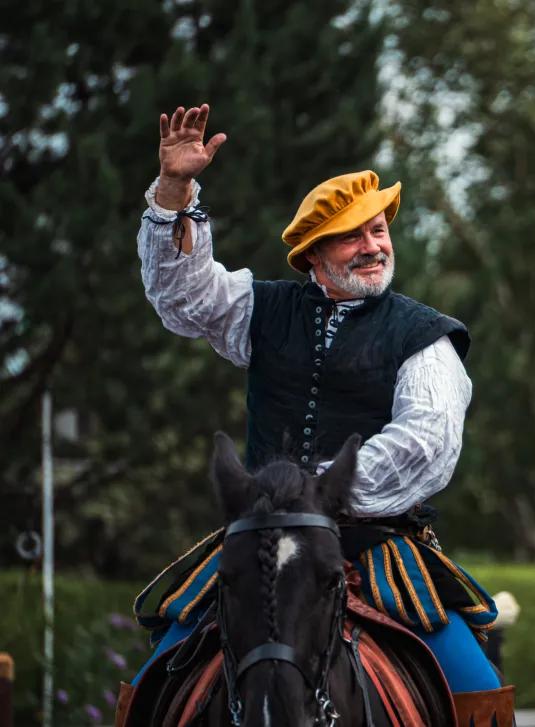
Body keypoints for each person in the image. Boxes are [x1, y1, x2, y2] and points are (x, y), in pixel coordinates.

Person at [126, 103, 513, 723]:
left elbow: (427, 441)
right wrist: (174, 189)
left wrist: (318, 492)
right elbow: (181, 297)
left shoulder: (425, 335)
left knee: (477, 689)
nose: (373, 246)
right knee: (151, 684)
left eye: (380, 231)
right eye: (353, 235)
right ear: (312, 254)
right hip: (259, 544)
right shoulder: (262, 308)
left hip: (376, 549)